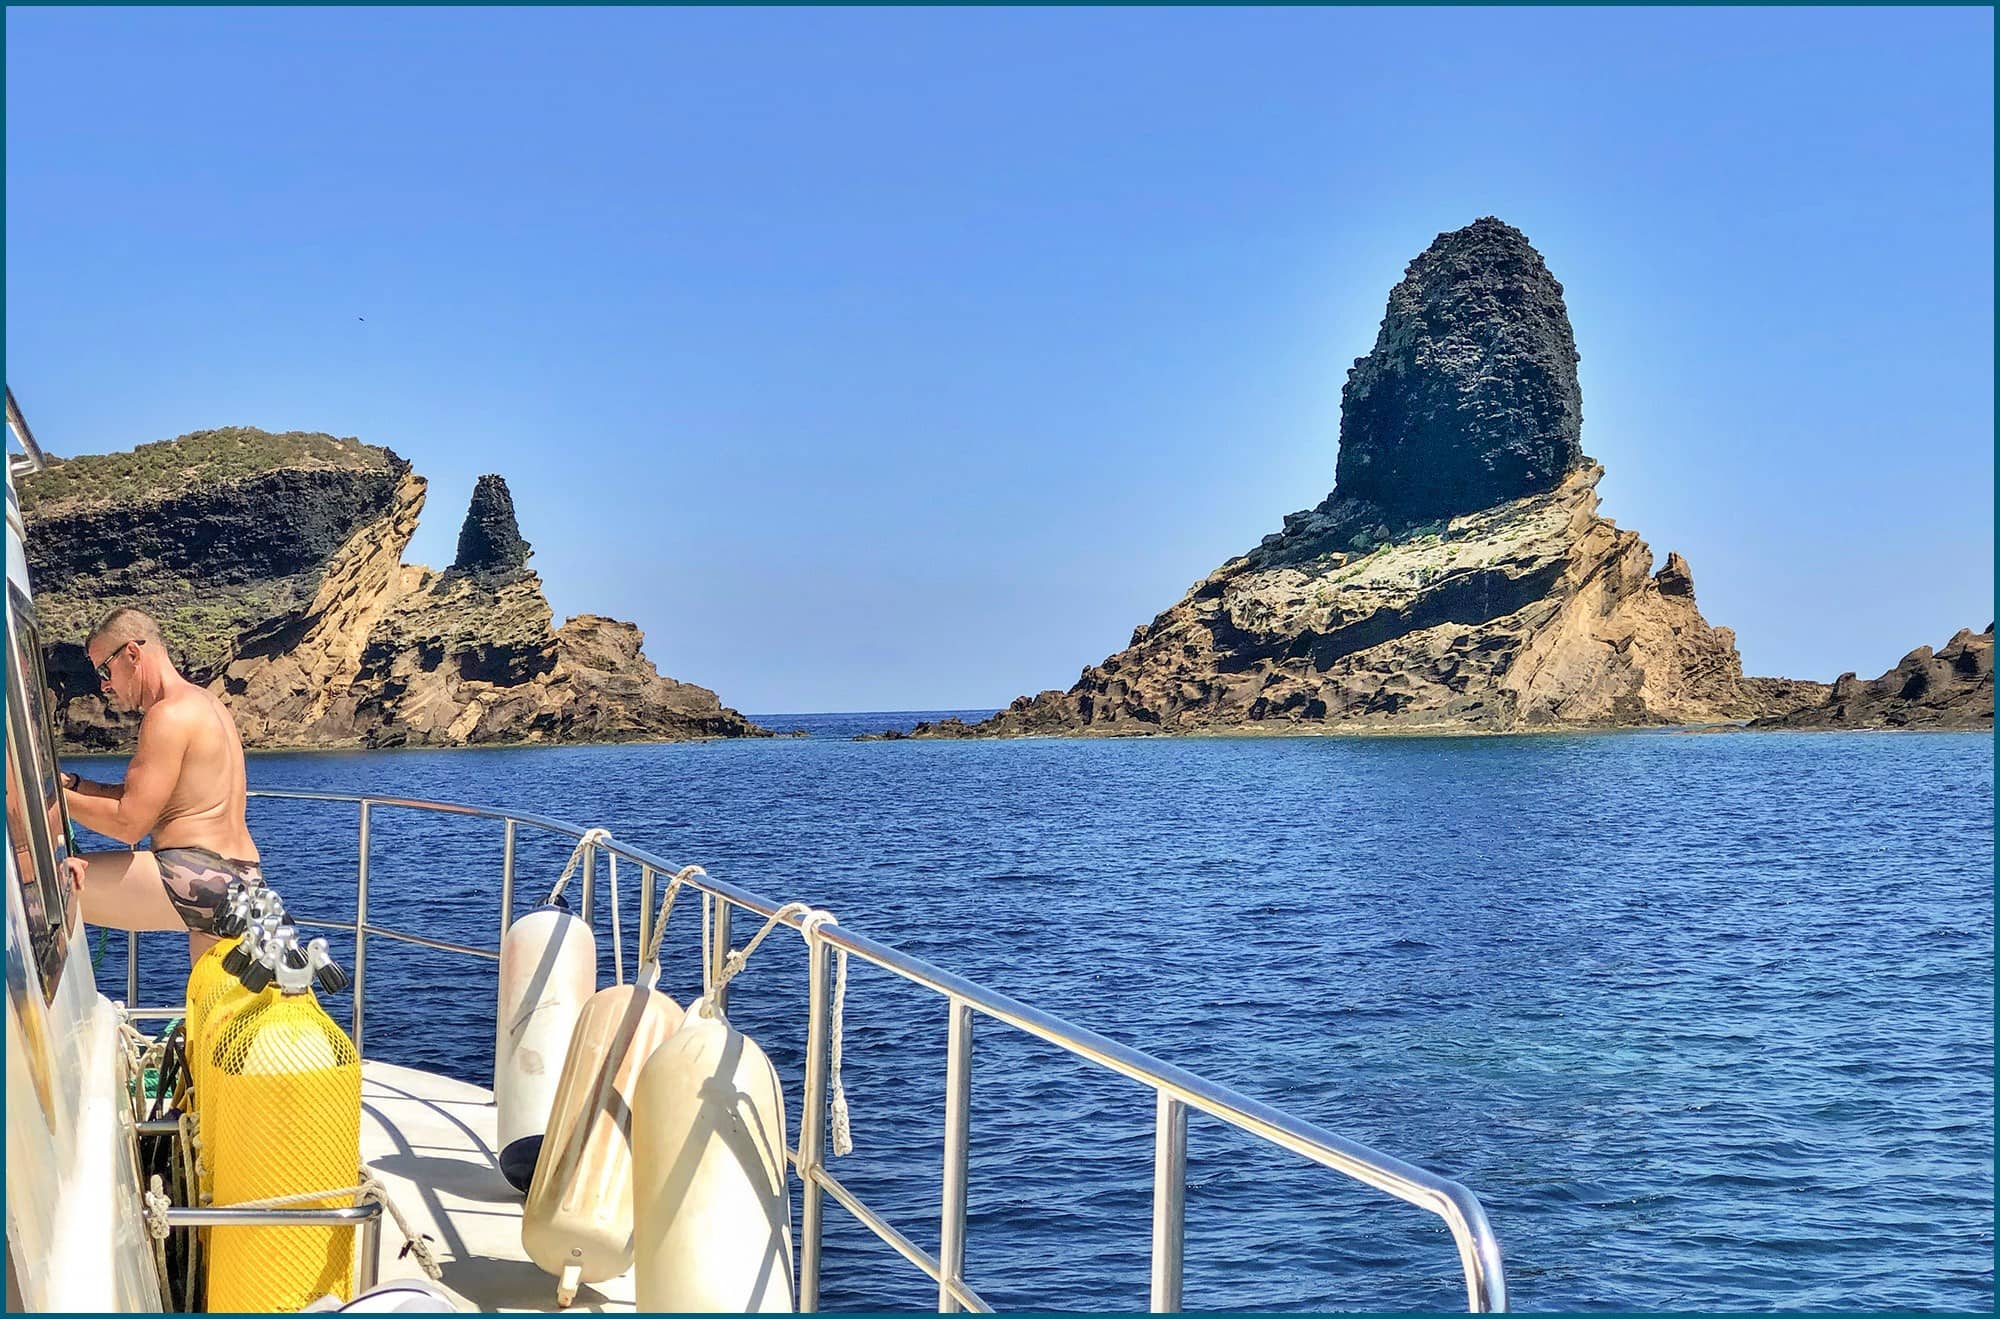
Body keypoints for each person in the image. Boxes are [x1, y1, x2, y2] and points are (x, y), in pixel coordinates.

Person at [60, 607, 264, 963]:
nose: (104, 685)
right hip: (240, 876)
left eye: (104, 670)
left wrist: (48, 796)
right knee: (210, 1007)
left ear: (132, 655)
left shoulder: (166, 715)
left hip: (193, 874)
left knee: (45, 888)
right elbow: (136, 798)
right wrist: (76, 786)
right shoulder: (206, 703)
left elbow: (128, 823)